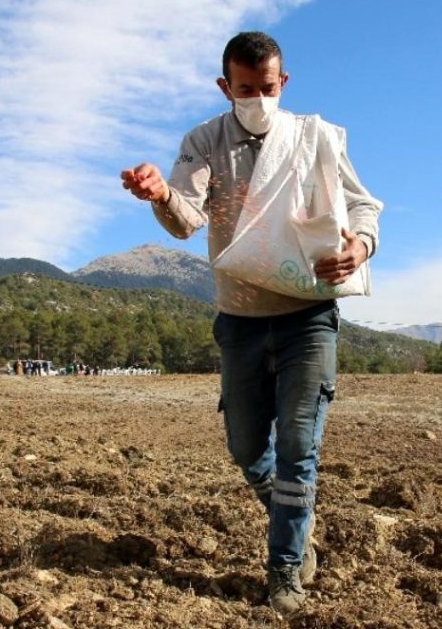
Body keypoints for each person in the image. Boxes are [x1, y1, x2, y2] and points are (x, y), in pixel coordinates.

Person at [121, 31, 382, 614]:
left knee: (297, 443)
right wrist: (162, 193)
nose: (259, 98)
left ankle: (285, 568)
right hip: (239, 317)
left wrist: (360, 247)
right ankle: (292, 513)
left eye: (268, 88)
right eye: (246, 89)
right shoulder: (205, 142)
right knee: (245, 447)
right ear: (225, 87)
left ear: (282, 83)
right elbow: (186, 221)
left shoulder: (312, 137)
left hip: (308, 315)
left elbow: (363, 205)